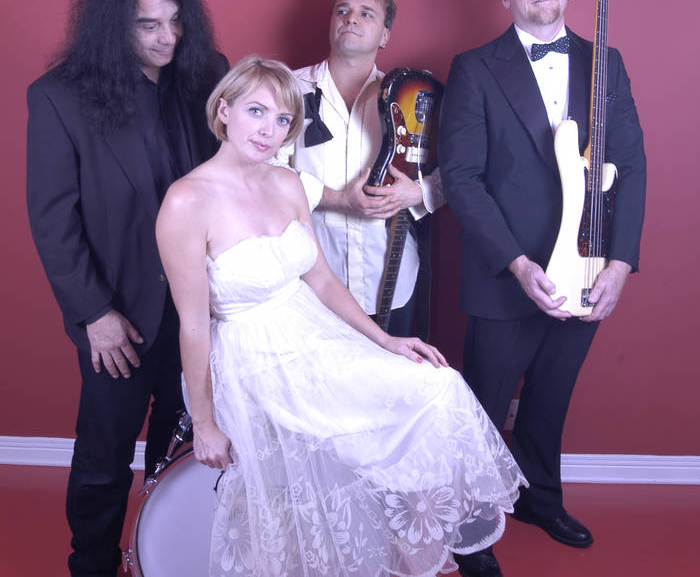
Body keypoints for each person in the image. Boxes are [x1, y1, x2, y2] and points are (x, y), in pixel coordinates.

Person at [156, 55, 525, 577]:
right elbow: (193, 324)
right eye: (256, 111)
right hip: (250, 360)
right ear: (224, 110)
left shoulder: (287, 183)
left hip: (312, 334)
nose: (268, 130)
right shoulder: (185, 202)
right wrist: (204, 422)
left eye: (283, 119)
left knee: (436, 386)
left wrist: (386, 341)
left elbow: (323, 280)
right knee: (288, 498)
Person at [439, 0, 646, 570]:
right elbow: (462, 178)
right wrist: (518, 263)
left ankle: (539, 499)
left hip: (586, 264)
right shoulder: (474, 68)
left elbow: (631, 165)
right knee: (484, 406)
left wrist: (620, 263)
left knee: (551, 396)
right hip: (507, 272)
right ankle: (471, 530)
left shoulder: (606, 62)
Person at [26, 0, 228, 576]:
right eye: (149, 25)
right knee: (105, 453)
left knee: (190, 449)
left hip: (205, 308)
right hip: (119, 317)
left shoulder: (208, 73)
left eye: (176, 21)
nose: (168, 38)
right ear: (113, 25)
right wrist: (95, 314)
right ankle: (90, 564)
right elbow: (54, 221)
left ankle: (170, 559)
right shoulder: (58, 97)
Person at [276, 0, 444, 336]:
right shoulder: (287, 88)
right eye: (343, 11)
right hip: (309, 283)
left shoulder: (411, 97)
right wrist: (337, 199)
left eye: (367, 13)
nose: (351, 18)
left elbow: (458, 169)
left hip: (392, 281)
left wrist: (418, 193)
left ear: (385, 35)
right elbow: (266, 171)